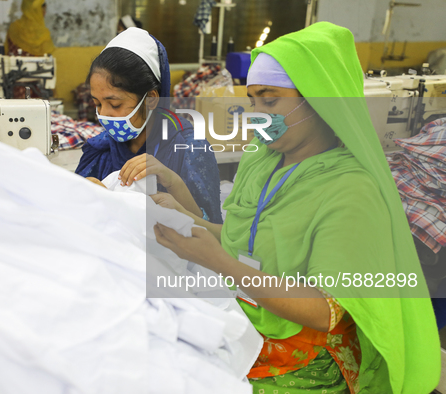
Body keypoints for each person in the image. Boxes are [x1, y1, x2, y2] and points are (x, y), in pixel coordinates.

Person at [152, 22, 440, 393]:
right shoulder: (263, 159)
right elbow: (246, 244)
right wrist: (182, 217)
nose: (257, 115)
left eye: (270, 101)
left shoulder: (350, 190)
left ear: (319, 99)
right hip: (246, 320)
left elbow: (326, 310)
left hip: (306, 358)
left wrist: (220, 264)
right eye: (253, 101)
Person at [75, 27, 222, 224]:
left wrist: (173, 182)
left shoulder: (188, 149)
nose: (103, 114)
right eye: (97, 103)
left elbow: (213, 233)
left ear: (151, 99)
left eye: (115, 104)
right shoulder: (99, 150)